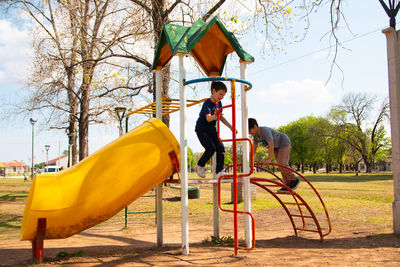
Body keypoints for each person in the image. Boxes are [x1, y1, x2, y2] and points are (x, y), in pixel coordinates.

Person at [248, 118, 300, 193]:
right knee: (280, 165)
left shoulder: (265, 131)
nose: (249, 133)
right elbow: (254, 149)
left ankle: (294, 179)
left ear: (255, 126)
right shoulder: (255, 136)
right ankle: (287, 184)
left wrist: (269, 159)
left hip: (283, 142)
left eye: (250, 130)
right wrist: (250, 160)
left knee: (282, 163)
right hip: (276, 147)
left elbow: (271, 143)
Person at [195, 81, 234, 179]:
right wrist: (216, 115)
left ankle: (219, 172)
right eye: (220, 94)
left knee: (221, 147)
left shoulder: (219, 103)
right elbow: (208, 119)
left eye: (223, 95)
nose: (221, 97)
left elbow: (220, 117)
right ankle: (200, 165)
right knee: (211, 148)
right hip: (202, 129)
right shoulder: (207, 103)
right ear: (213, 91)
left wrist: (230, 126)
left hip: (211, 129)